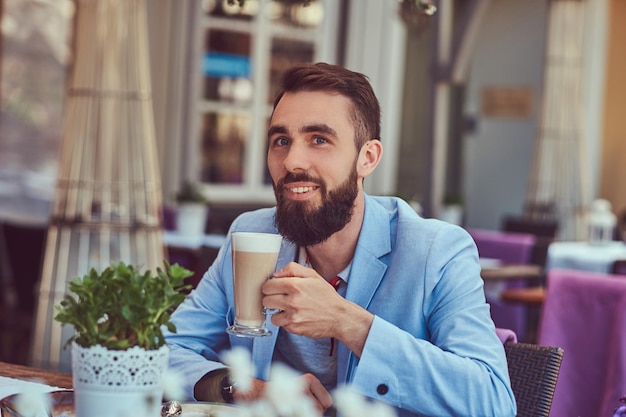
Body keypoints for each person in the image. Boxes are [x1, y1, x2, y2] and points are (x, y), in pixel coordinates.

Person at [164, 62, 517, 417]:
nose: (292, 161)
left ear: (367, 157)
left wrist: (348, 322)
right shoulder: (252, 235)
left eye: (319, 139)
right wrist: (246, 390)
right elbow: (162, 352)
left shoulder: (436, 252)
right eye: (281, 141)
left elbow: (492, 401)